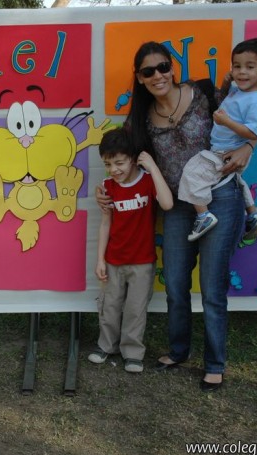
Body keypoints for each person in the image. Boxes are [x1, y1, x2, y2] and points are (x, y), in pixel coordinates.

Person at [97, 41, 256, 391]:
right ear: (140, 78)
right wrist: (105, 190)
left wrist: (249, 146)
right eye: (148, 71)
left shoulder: (203, 94)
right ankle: (179, 351)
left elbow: (248, 115)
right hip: (178, 207)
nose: (158, 75)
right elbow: (120, 161)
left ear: (172, 68)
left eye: (163, 67)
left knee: (212, 286)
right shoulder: (139, 120)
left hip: (219, 197)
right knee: (175, 283)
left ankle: (214, 363)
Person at [88, 127, 173, 373]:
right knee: (110, 306)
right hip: (113, 260)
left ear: (134, 159)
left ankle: (133, 352)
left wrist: (153, 167)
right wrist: (100, 259)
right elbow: (105, 223)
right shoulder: (107, 186)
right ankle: (106, 345)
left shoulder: (147, 181)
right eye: (107, 164)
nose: (114, 170)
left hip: (142, 262)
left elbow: (167, 204)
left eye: (119, 163)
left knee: (136, 310)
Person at [179, 38, 257, 242]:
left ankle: (203, 215)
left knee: (191, 173)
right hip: (224, 148)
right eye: (237, 66)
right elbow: (226, 100)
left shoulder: (256, 101)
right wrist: (224, 84)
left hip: (227, 151)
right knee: (235, 179)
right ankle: (253, 215)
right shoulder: (241, 92)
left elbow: (253, 133)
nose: (241, 72)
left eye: (250, 67)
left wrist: (226, 122)